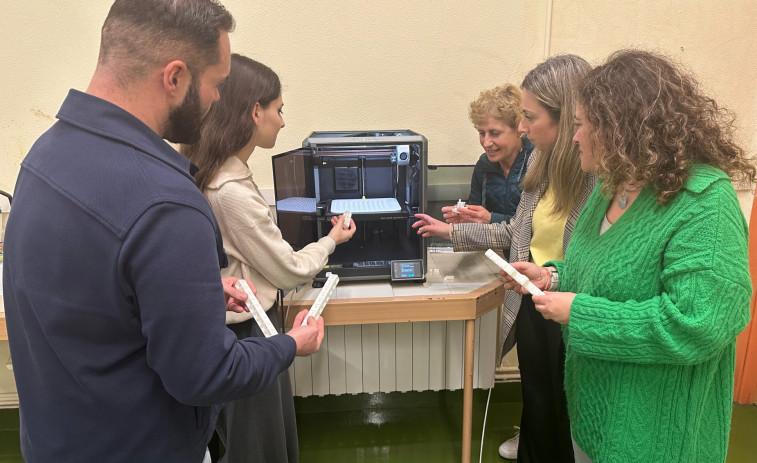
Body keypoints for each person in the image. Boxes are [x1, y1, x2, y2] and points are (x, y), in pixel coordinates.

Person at [1, 1, 324, 462]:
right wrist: (290, 345)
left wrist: (197, 292)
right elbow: (207, 375)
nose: (217, 99)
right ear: (174, 77)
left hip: (55, 442)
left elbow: (94, 293)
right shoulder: (167, 201)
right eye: (214, 83)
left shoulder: (46, 156)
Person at [505, 49, 754, 463]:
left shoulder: (705, 202)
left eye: (582, 126)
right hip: (594, 417)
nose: (574, 137)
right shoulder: (613, 187)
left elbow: (698, 324)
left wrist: (581, 313)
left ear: (623, 130)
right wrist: (555, 276)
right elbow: (604, 269)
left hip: (653, 433)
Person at [414, 55, 593, 462]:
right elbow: (516, 233)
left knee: (568, 407)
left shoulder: (594, 176)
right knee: (538, 395)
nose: (525, 129)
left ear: (565, 116)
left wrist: (553, 276)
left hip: (571, 302)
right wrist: (452, 231)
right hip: (533, 294)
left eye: (528, 119)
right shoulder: (539, 163)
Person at [181, 54, 356, 463]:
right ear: (254, 111)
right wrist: (332, 240)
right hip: (246, 334)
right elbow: (287, 271)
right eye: (278, 109)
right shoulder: (231, 191)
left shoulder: (216, 172)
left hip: (233, 329)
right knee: (262, 451)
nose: (282, 120)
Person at [443, 84, 534, 225]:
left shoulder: (536, 163)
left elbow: (535, 228)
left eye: (495, 133)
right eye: (481, 133)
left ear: (519, 129)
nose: (486, 143)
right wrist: (465, 218)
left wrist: (490, 219)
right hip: (491, 247)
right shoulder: (483, 166)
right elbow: (476, 218)